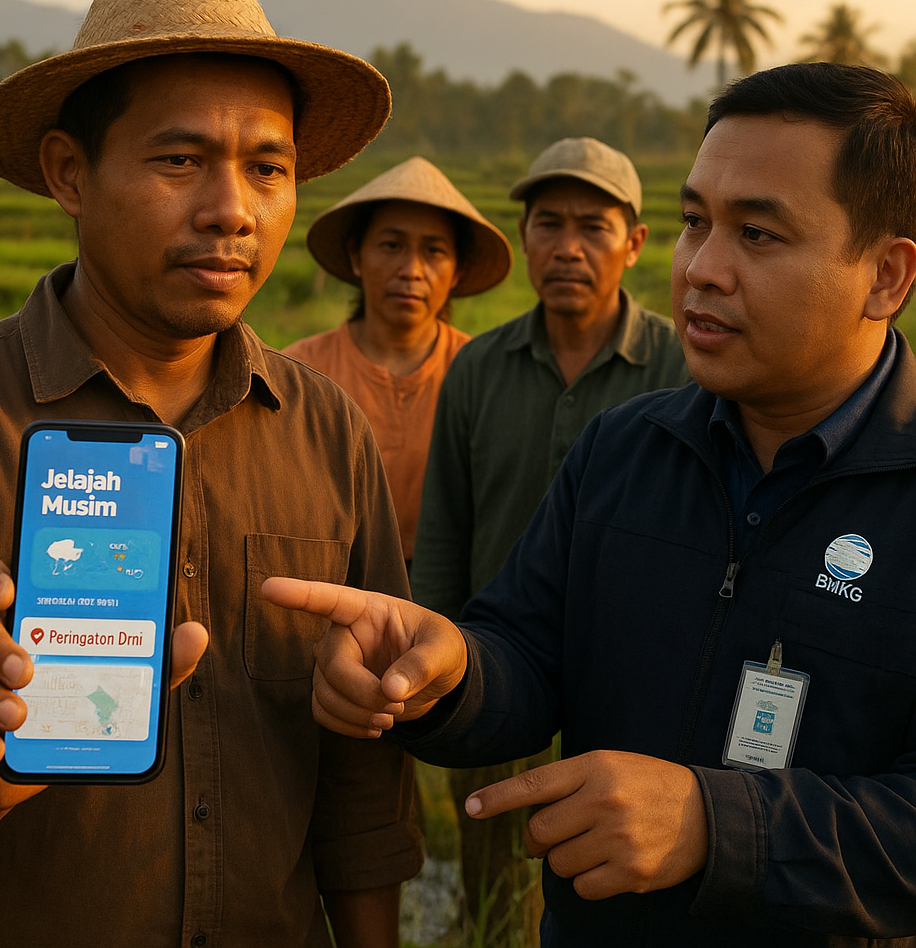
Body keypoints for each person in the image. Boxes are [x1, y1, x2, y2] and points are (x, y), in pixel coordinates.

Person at [263, 62, 916, 947]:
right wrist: (447, 668)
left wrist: (715, 825)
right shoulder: (625, 448)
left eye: (758, 234)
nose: (702, 270)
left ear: (885, 275)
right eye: (695, 223)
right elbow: (528, 651)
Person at [0, 0, 422, 948]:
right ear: (68, 173)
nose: (234, 209)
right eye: (180, 161)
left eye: (268, 167)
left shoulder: (329, 431)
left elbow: (360, 785)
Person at [408, 137, 688, 939]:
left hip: (640, 683)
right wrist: (436, 667)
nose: (568, 247)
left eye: (593, 227)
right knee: (492, 887)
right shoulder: (479, 370)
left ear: (634, 244)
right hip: (502, 672)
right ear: (524, 237)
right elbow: (445, 530)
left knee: (617, 899)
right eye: (549, 224)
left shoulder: (683, 368)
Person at [284, 156, 511, 565]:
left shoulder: (484, 373)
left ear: (457, 270)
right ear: (356, 256)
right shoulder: (300, 373)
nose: (411, 270)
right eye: (391, 246)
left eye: (434, 251)